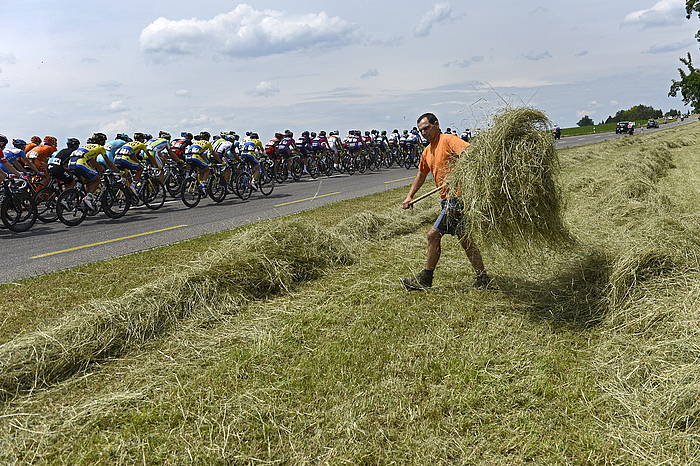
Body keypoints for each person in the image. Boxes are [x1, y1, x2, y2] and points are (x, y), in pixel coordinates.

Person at [400, 112, 490, 291]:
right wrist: (410, 196)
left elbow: (471, 155)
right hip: (446, 199)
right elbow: (421, 174)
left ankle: (426, 278)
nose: (424, 133)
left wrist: (457, 174)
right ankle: (483, 277)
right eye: (421, 131)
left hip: (457, 198)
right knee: (466, 239)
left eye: (427, 128)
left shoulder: (449, 140)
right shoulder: (427, 151)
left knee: (433, 235)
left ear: (436, 124)